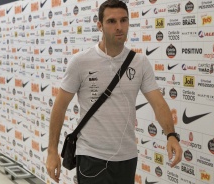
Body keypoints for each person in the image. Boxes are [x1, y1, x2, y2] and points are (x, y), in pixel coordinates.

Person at [45, 0, 182, 183]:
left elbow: (158, 104)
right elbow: (60, 107)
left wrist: (171, 135)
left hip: (127, 158)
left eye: (123, 20)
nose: (119, 27)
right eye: (111, 21)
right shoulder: (80, 62)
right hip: (91, 156)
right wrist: (52, 151)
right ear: (99, 25)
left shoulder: (140, 63)